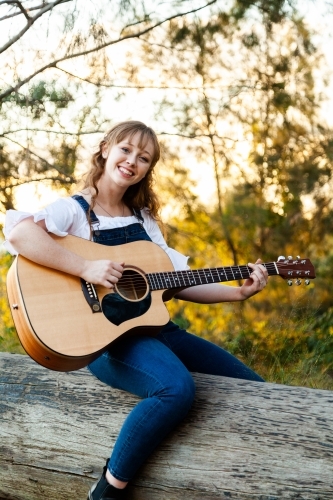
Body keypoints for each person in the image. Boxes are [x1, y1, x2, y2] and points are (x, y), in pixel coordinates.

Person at [4, 120, 268, 500]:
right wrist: (87, 267)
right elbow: (19, 234)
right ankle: (108, 490)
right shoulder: (75, 210)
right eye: (126, 149)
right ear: (105, 149)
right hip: (106, 340)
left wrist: (237, 294)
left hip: (156, 330)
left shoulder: (144, 221)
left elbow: (177, 280)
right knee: (175, 389)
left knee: (254, 389)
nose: (132, 161)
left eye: (143, 158)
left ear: (147, 169)